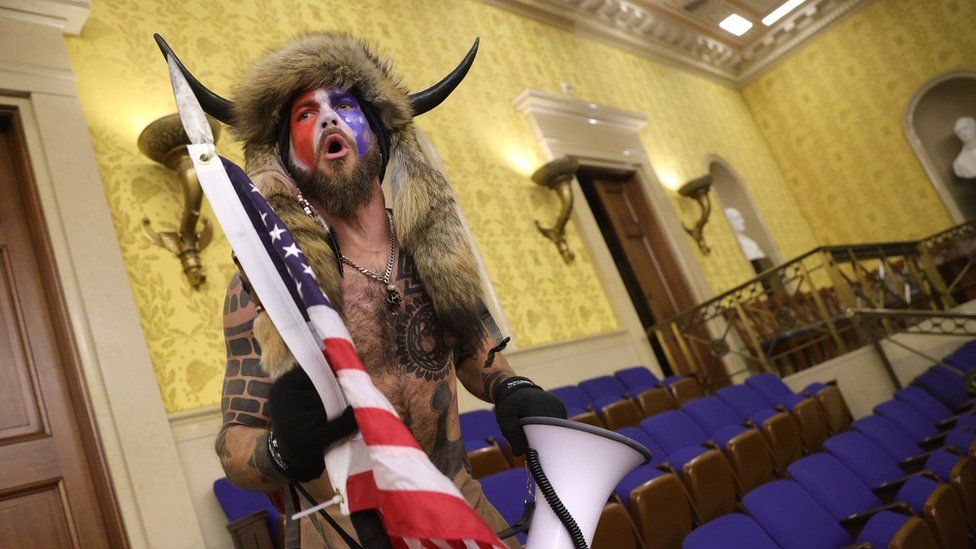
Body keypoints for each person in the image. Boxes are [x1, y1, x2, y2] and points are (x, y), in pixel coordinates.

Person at [186, 32, 567, 547]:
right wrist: (280, 449)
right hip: (348, 531)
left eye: (343, 104)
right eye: (304, 115)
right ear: (285, 157)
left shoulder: (433, 255)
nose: (327, 119)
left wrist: (513, 390)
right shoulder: (265, 286)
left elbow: (479, 356)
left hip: (459, 506)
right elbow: (233, 446)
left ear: (382, 137)